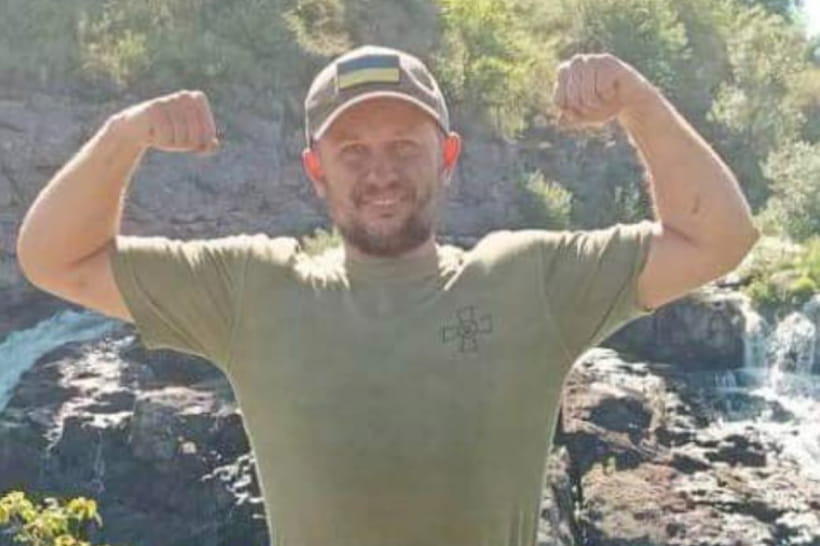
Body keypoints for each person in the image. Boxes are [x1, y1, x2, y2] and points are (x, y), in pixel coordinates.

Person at [16, 45, 759, 546]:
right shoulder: (249, 287)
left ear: (447, 156)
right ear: (315, 169)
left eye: (405, 145)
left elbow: (719, 238)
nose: (381, 172)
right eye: (352, 150)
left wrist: (638, 103)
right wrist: (125, 135)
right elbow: (53, 258)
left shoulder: (531, 278)